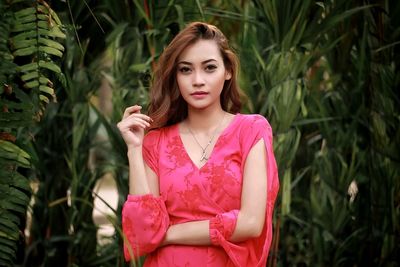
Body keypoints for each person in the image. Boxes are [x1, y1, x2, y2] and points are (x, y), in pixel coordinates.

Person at [117, 21, 279, 267]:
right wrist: (134, 149)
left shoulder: (251, 130)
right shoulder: (155, 142)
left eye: (209, 68)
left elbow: (250, 223)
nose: (198, 80)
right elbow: (142, 234)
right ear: (176, 76)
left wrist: (168, 234)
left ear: (228, 71)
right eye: (186, 70)